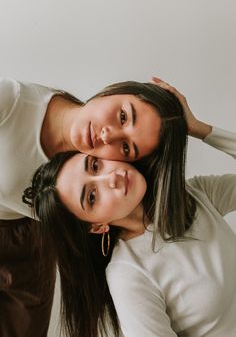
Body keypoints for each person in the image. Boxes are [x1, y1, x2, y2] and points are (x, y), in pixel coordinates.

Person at [23, 84, 236, 337]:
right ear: (97, 226)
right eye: (92, 196)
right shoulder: (128, 275)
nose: (110, 179)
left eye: (95, 165)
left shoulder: (195, 196)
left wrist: (197, 129)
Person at [0, 76, 188, 336]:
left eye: (125, 147)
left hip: (28, 237)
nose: (108, 135)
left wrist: (198, 129)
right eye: (123, 116)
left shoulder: (101, 183)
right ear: (113, 91)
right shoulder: (11, 101)